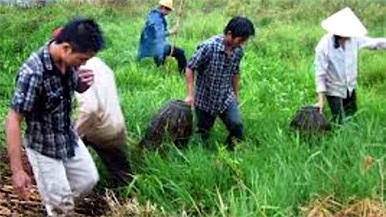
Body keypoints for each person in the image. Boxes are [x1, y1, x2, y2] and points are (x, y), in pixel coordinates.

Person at [5, 18, 104, 217]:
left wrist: (81, 85)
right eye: (82, 59)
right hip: (43, 146)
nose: (83, 64)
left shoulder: (68, 61)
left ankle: (56, 205)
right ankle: (58, 208)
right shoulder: (33, 73)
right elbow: (13, 119)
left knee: (88, 180)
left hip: (67, 136)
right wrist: (17, 171)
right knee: (61, 205)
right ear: (66, 48)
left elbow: (71, 84)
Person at [53, 28, 132, 187]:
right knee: (121, 171)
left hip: (98, 128)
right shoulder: (100, 64)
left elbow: (90, 109)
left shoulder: (79, 69)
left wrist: (74, 135)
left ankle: (63, 184)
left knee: (64, 151)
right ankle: (128, 194)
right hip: (115, 123)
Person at [184, 16, 255, 150]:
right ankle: (200, 155)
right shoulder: (209, 47)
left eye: (244, 41)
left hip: (225, 97)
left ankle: (229, 153)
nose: (242, 44)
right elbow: (190, 67)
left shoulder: (238, 51)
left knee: (236, 126)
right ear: (229, 34)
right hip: (205, 99)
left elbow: (235, 72)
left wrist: (235, 94)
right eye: (240, 40)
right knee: (203, 133)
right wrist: (190, 94)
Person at [314, 7, 386, 124]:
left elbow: (374, 43)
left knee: (352, 118)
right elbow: (320, 75)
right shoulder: (324, 45)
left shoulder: (354, 40)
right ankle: (338, 139)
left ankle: (351, 138)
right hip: (334, 90)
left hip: (349, 88)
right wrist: (320, 100)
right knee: (340, 122)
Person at [137, 0, 187, 74]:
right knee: (180, 53)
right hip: (155, 46)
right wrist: (171, 32)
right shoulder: (156, 18)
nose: (168, 12)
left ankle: (160, 71)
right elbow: (159, 34)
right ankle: (183, 73)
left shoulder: (154, 15)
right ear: (164, 8)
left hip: (154, 45)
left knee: (161, 62)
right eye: (169, 10)